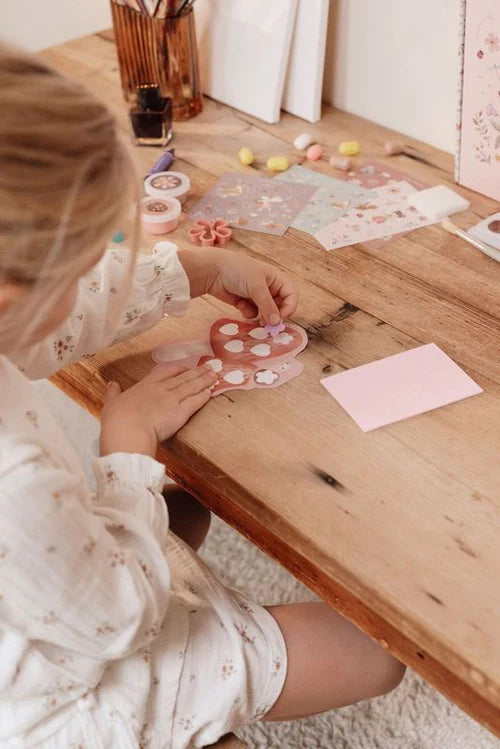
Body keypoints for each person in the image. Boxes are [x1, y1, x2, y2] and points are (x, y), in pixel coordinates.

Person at [0, 43, 405, 749]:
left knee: (181, 508)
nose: (95, 273)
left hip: (49, 593)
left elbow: (54, 322)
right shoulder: (12, 480)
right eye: (80, 261)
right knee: (379, 656)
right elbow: (118, 615)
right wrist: (126, 447)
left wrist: (198, 267)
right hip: (66, 697)